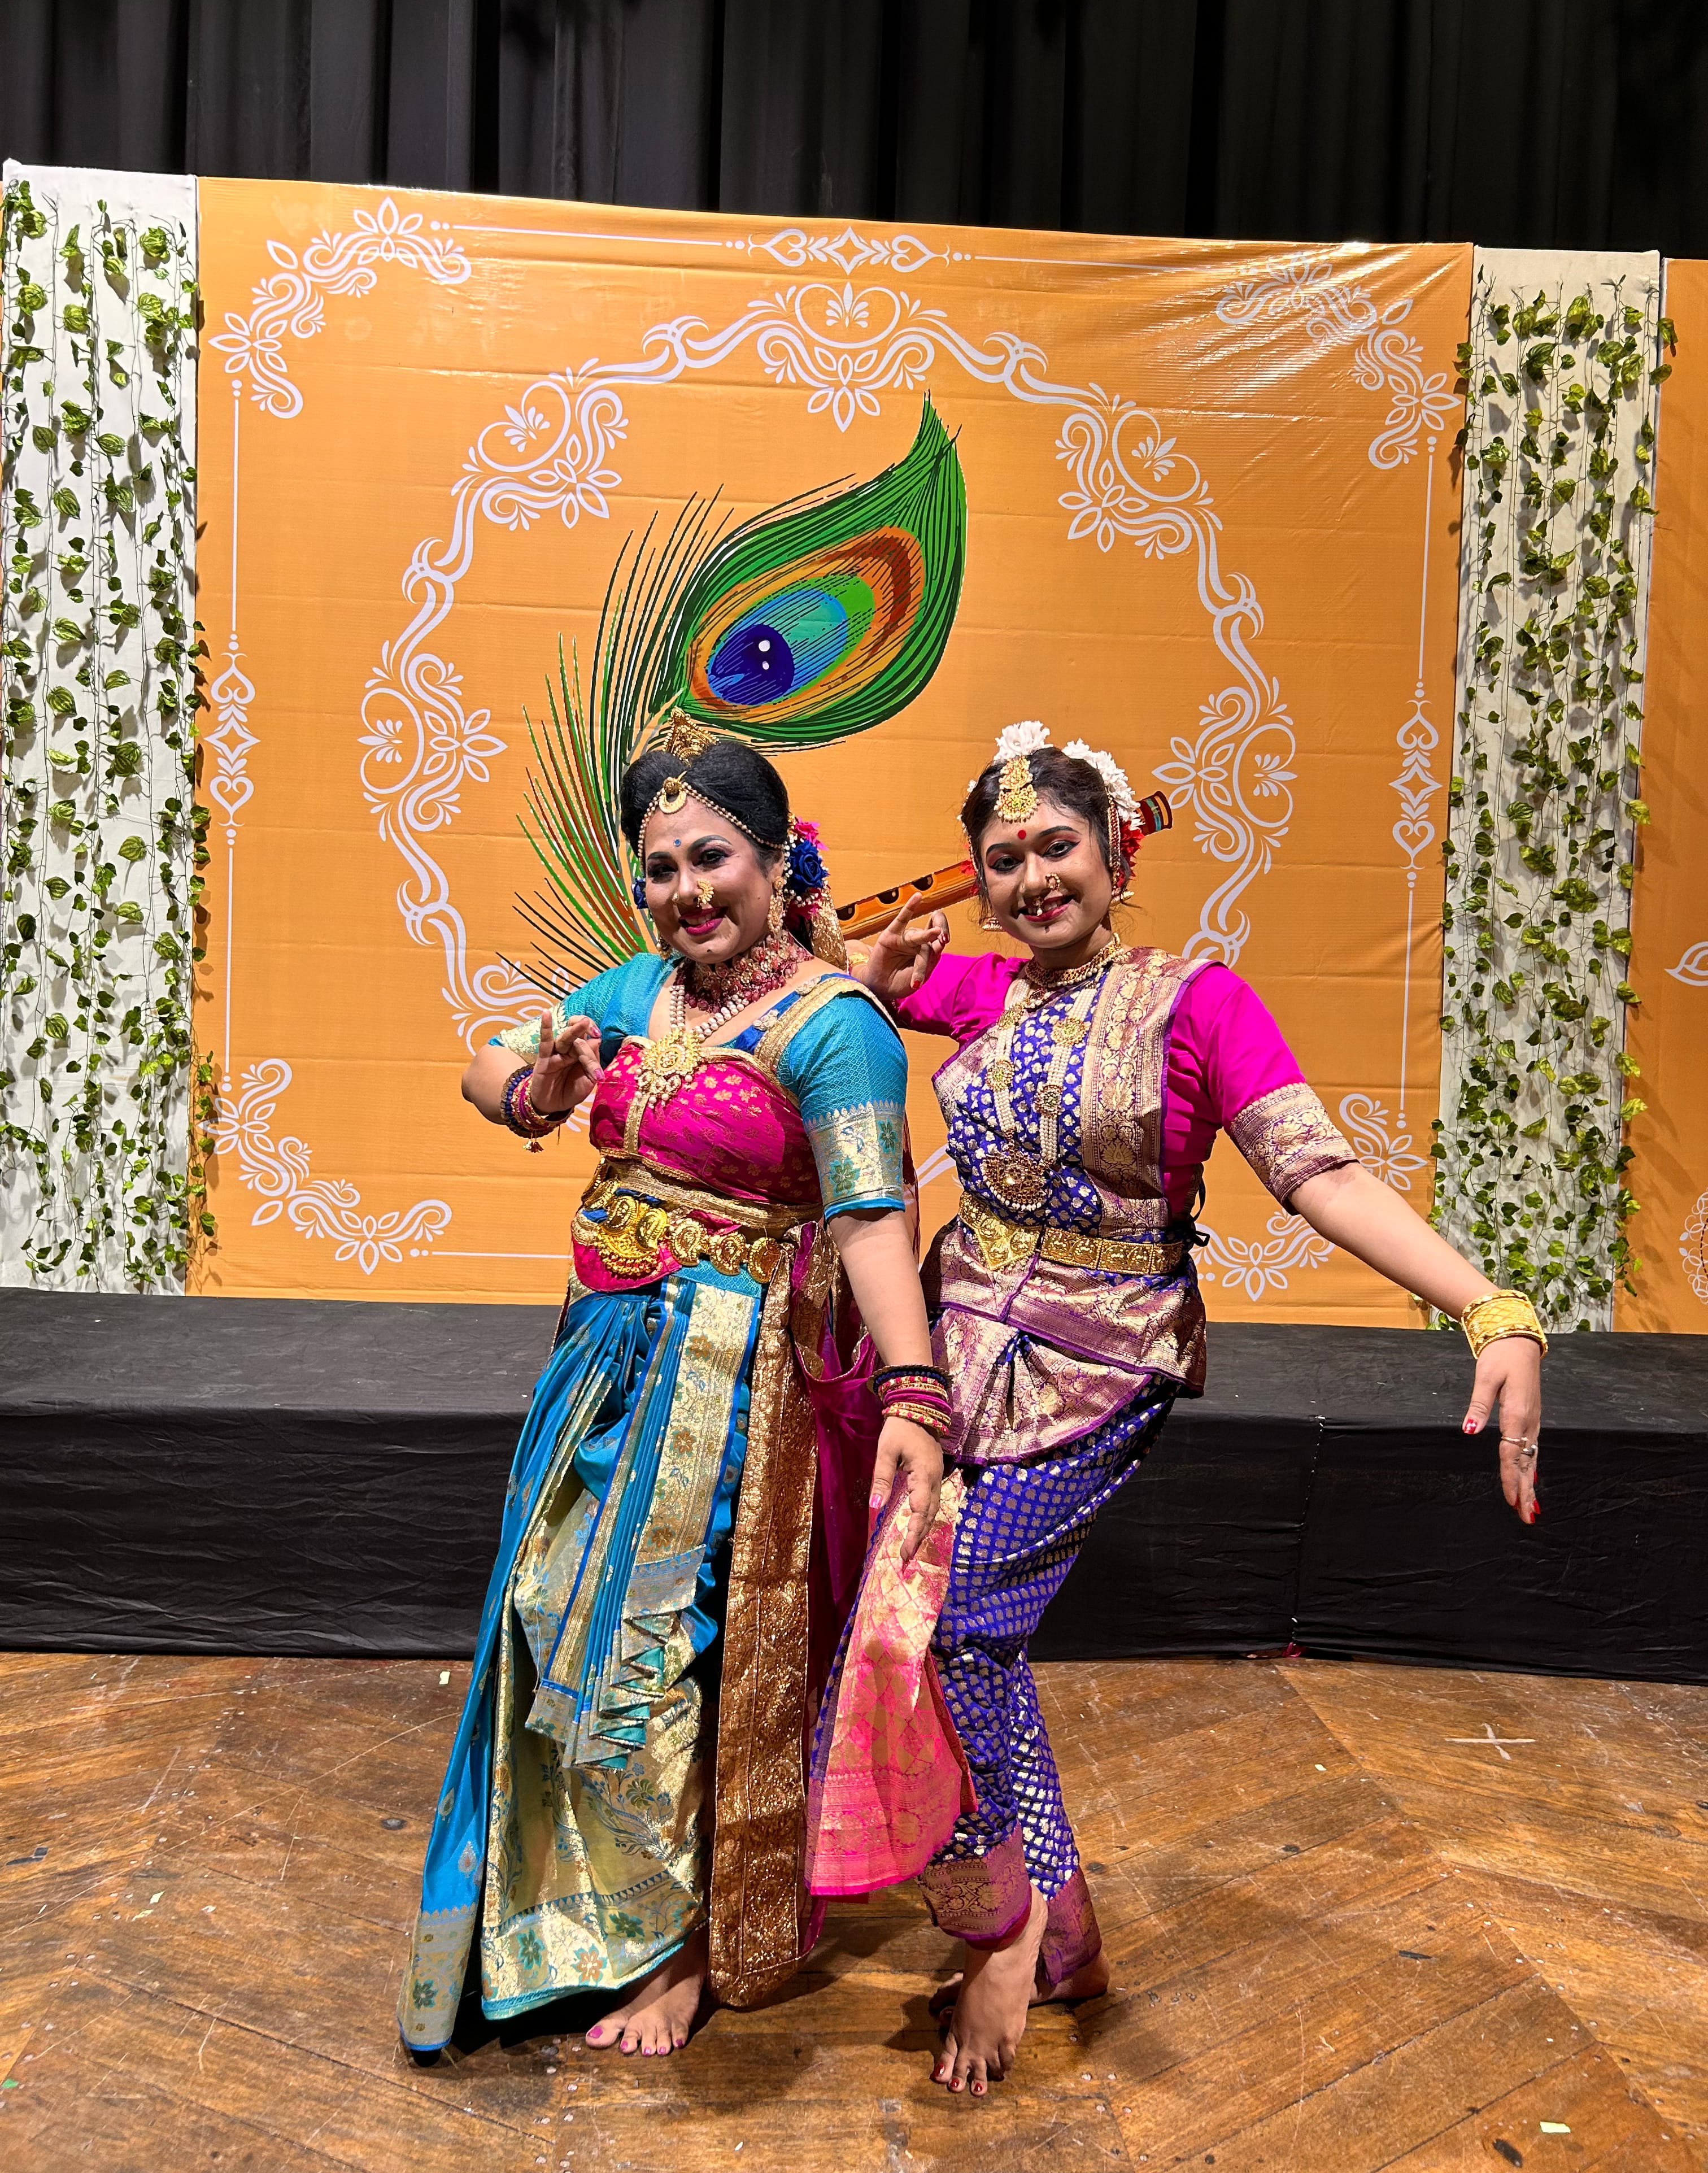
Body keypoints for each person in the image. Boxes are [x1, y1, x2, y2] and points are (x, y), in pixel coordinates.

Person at [857, 725, 1546, 2100]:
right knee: (948, 1640)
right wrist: (871, 977)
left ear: (1118, 854)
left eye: (1057, 847)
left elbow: (1319, 1173)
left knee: (966, 1624)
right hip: (957, 1347)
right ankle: (1060, 1922)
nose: (1031, 878)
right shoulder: (983, 991)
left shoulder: (1199, 1003)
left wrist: (1490, 1306)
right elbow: (822, 966)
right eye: (1002, 861)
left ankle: (1007, 1932)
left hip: (1104, 1361)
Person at [398, 716, 951, 2062]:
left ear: (775, 862)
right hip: (601, 1367)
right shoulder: (633, 990)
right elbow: (491, 1074)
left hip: (733, 1392)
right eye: (661, 868)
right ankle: (578, 1913)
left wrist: (920, 1391)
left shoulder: (837, 1028)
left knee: (674, 1650)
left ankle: (692, 1944)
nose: (688, 891)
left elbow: (873, 1216)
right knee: (561, 1627)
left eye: (713, 859)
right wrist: (538, 1081)